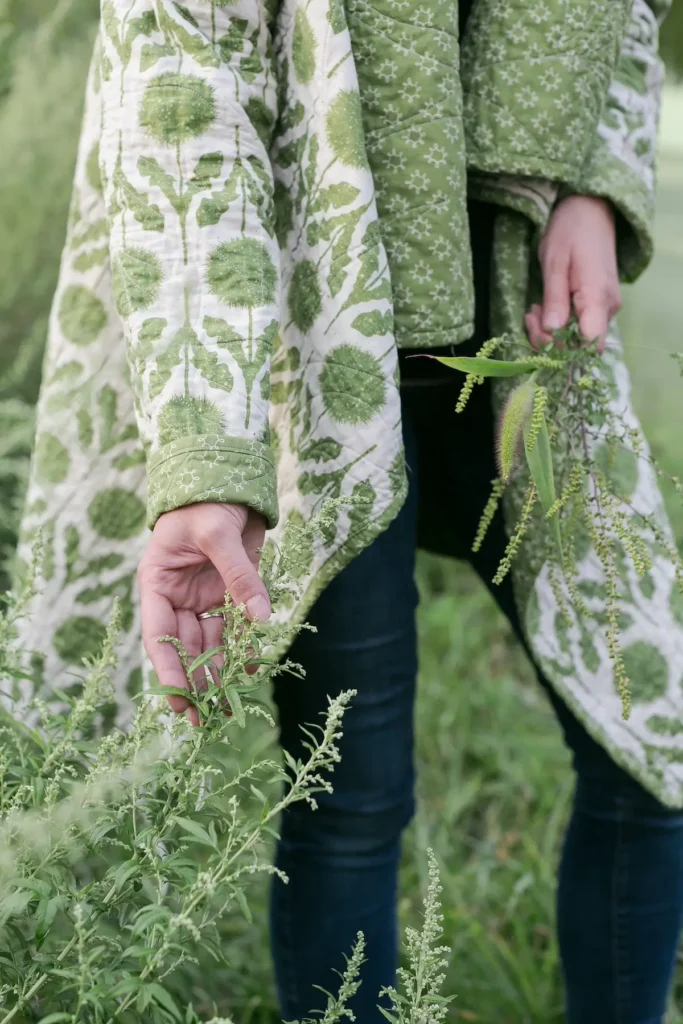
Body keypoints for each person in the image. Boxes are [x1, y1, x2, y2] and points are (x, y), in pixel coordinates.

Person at [15, 0, 683, 1020]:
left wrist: (596, 178)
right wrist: (207, 447)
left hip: (518, 287)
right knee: (351, 792)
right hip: (302, 319)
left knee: (655, 747)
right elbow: (184, 76)